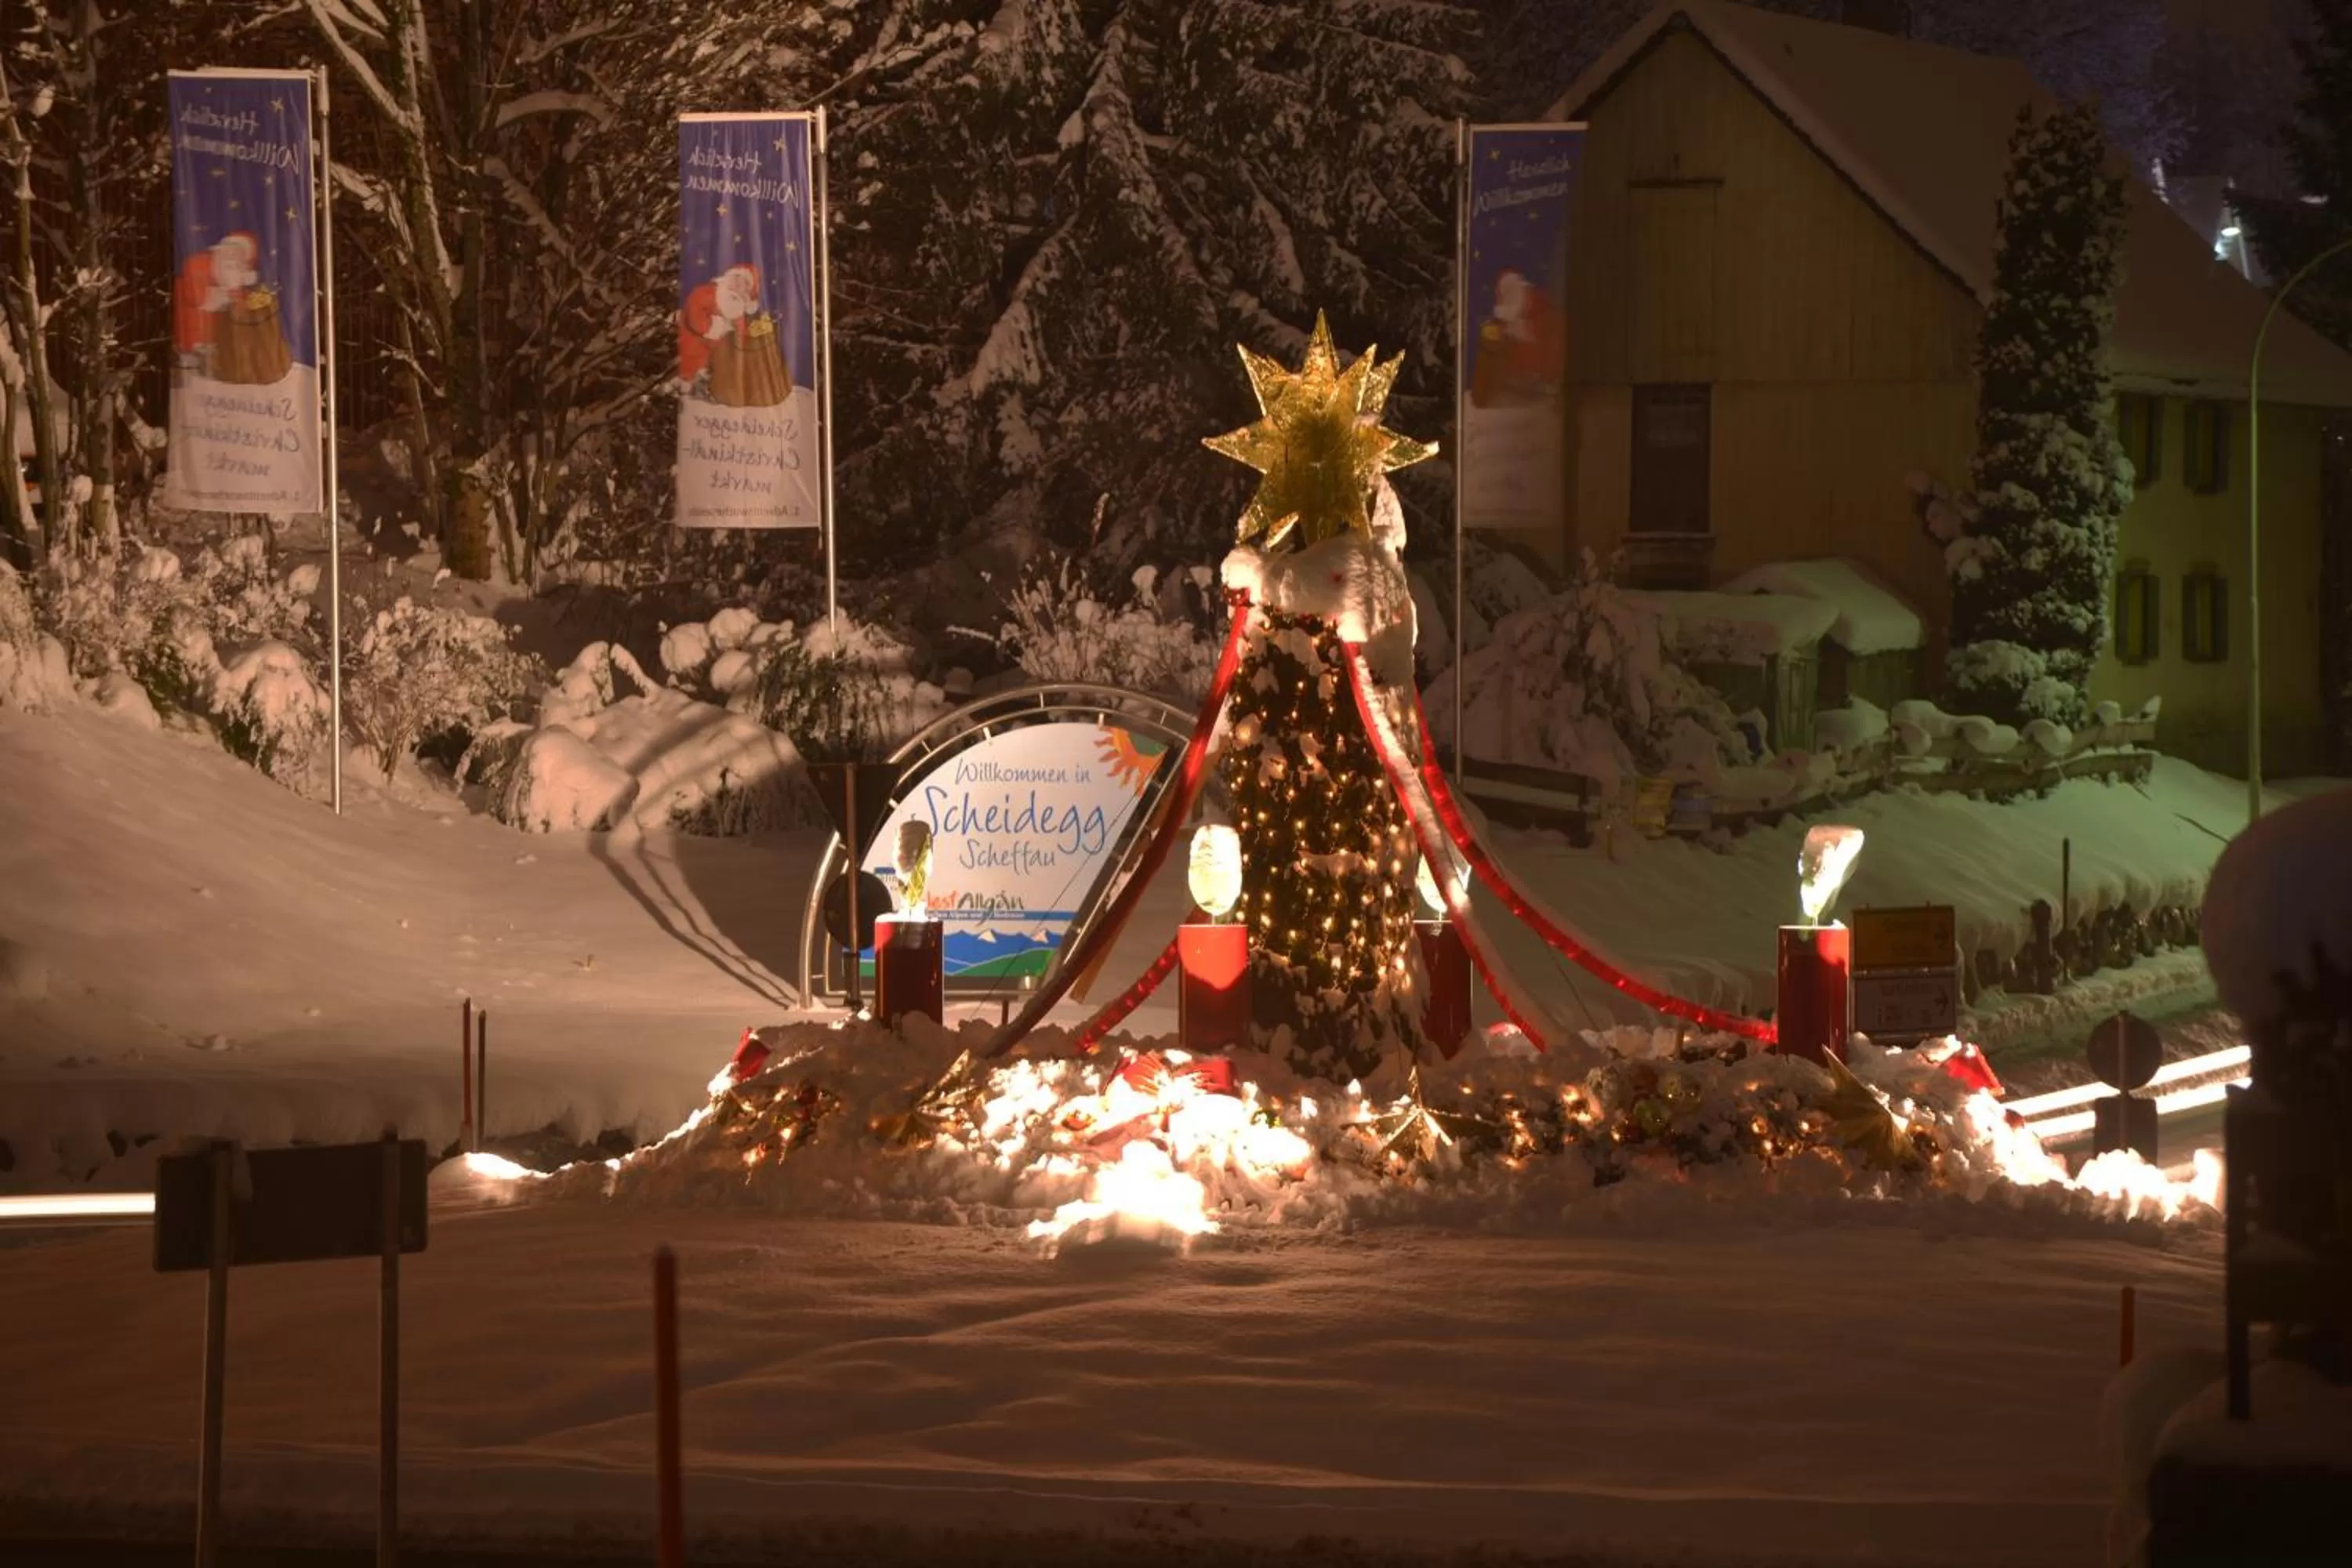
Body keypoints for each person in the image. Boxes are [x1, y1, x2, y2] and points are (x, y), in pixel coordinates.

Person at [172, 232, 260, 377]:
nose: (231, 259)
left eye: (236, 261)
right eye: (227, 254)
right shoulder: (197, 267)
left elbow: (244, 310)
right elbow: (192, 295)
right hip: (194, 337)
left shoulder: (240, 289)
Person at [677, 263, 761, 394]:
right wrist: (711, 326)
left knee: (720, 365)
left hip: (717, 350)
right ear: (729, 277)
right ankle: (686, 384)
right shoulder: (707, 292)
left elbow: (743, 333)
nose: (739, 284)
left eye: (744, 283)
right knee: (692, 359)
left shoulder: (738, 309)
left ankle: (710, 385)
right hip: (696, 339)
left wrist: (753, 334)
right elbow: (695, 314)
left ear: (747, 291)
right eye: (737, 278)